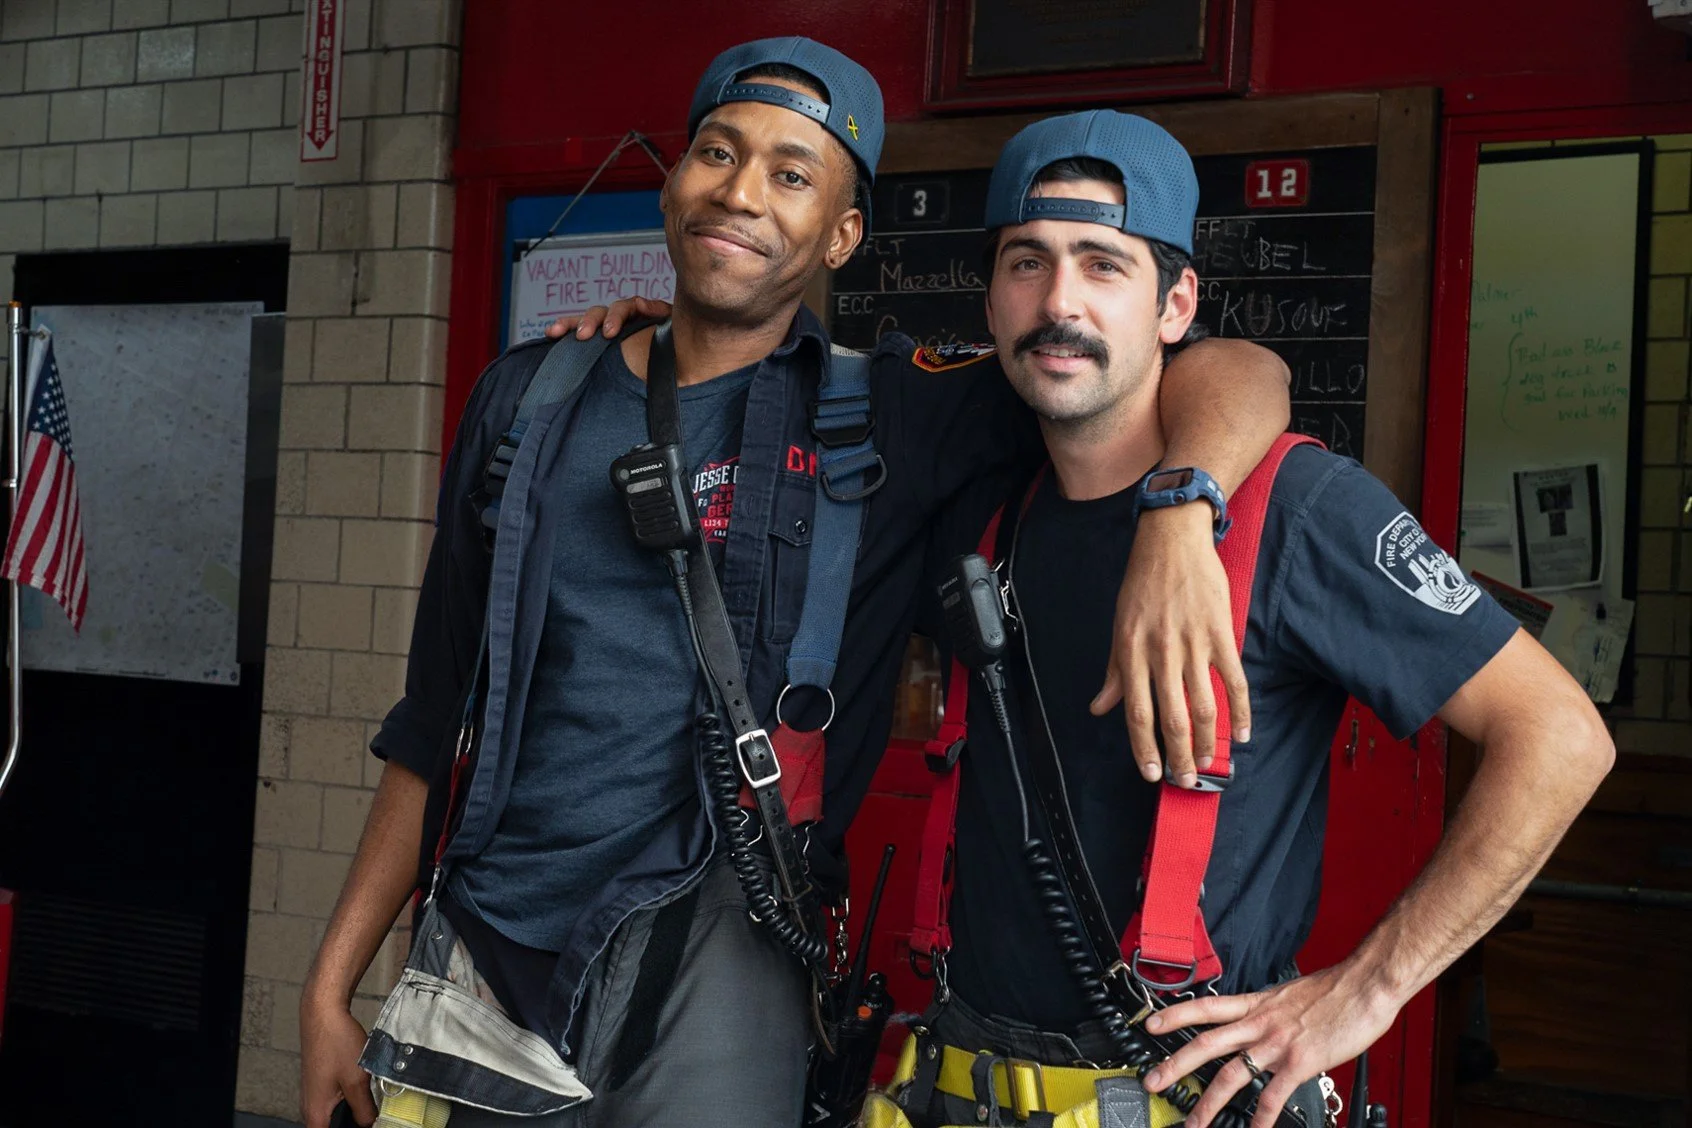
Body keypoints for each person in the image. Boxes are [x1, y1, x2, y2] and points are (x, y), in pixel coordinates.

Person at [299, 39, 1292, 1128]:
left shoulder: (898, 419)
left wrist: (1182, 512)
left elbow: (1237, 369)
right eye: (716, 153)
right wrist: (328, 986)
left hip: (724, 982)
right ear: (674, 181)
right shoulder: (527, 404)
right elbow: (433, 716)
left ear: (843, 234)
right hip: (489, 961)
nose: (739, 193)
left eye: (790, 174)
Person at [856, 110, 1613, 1128]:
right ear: (992, 303)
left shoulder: (1300, 511)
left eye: (1103, 265)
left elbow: (1561, 739)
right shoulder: (983, 505)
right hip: (952, 1086)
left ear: (1177, 306)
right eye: (1026, 263)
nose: (1059, 301)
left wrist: (1371, 987)